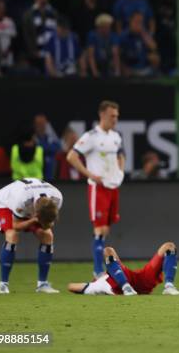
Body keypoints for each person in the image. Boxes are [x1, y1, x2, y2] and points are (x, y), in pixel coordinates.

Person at [66, 101, 125, 278]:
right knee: (99, 229)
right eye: (112, 116)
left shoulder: (116, 136)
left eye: (116, 116)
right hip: (98, 188)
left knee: (106, 229)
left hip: (113, 186)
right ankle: (98, 271)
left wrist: (120, 171)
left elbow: (121, 155)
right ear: (102, 115)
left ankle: (101, 269)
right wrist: (89, 174)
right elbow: (72, 156)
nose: (115, 119)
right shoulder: (91, 136)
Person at [0, 178, 63, 294]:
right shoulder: (20, 201)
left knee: (47, 236)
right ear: (35, 214)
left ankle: (42, 284)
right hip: (6, 203)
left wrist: (43, 222)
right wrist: (33, 221)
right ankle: (3, 284)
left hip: (31, 205)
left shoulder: (57, 197)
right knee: (12, 235)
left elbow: (49, 220)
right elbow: (16, 226)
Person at [68, 242, 179, 295]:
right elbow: (71, 287)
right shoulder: (97, 285)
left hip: (139, 279)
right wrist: (97, 280)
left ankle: (169, 287)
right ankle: (126, 288)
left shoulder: (100, 281)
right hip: (120, 285)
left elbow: (71, 286)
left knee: (169, 247)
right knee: (107, 250)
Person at [0, 0, 16, 73]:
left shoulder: (10, 22)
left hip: (7, 56)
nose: (0, 10)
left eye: (2, 8)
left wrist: (7, 51)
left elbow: (13, 39)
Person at [34, 113, 61, 181]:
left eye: (43, 123)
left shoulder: (50, 136)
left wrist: (43, 148)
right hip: (37, 173)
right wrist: (47, 148)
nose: (41, 125)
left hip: (51, 173)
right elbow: (37, 149)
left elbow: (58, 147)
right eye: (39, 123)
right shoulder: (32, 137)